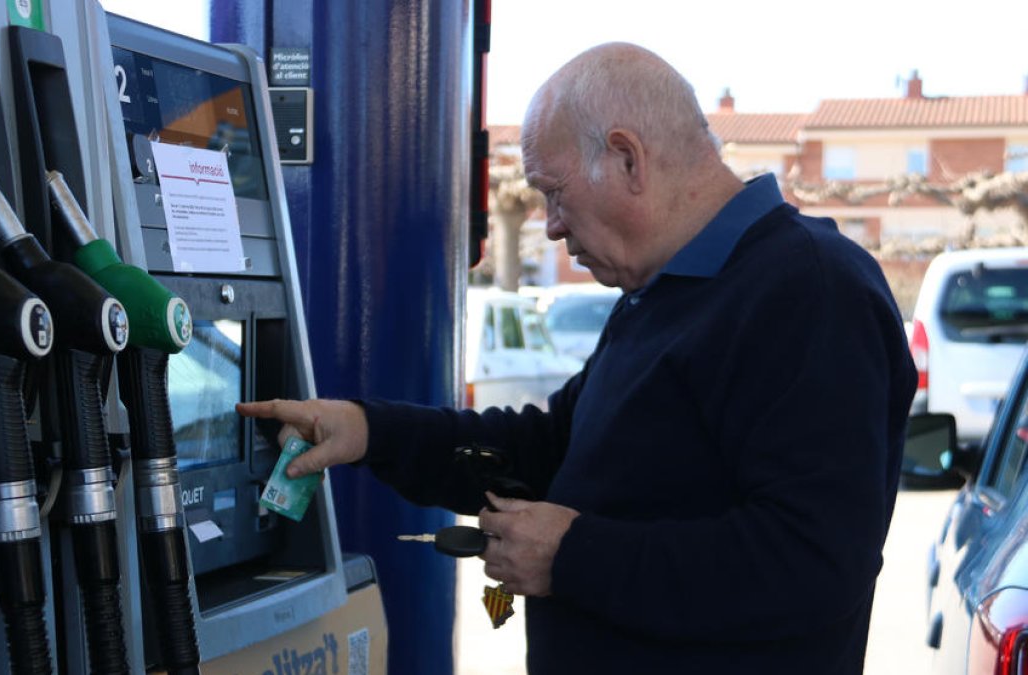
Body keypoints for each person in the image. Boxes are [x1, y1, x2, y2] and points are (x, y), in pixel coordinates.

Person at [238, 42, 916, 674]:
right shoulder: (663, 292)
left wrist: (573, 556)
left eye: (554, 193)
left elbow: (812, 563)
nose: (552, 225)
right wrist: (366, 429)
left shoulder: (810, 289)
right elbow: (550, 449)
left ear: (628, 158)